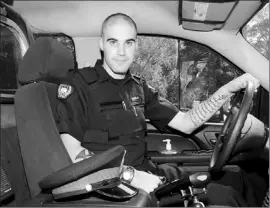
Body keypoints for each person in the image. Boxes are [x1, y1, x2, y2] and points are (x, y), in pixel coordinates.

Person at [54, 13, 269, 206]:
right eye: (113, 42)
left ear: (136, 46)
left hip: (147, 174)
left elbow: (186, 123)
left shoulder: (139, 87)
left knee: (234, 183)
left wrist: (229, 88)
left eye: (128, 43)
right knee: (222, 199)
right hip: (112, 190)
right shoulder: (78, 84)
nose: (121, 52)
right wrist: (129, 176)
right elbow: (72, 153)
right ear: (102, 44)